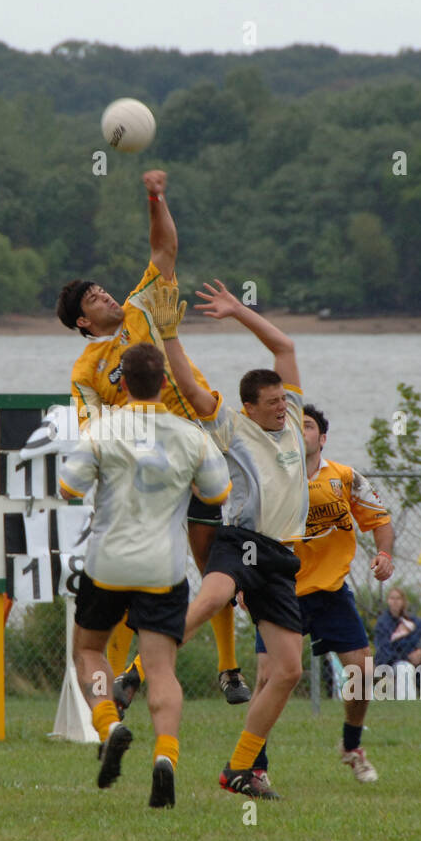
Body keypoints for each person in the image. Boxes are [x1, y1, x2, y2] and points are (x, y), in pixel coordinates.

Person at [55, 168, 248, 706]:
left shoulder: (143, 304)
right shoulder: (87, 368)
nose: (105, 295)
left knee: (215, 556)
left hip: (207, 431)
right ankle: (141, 670)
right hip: (156, 458)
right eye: (92, 298)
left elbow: (164, 249)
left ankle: (229, 668)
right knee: (165, 564)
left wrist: (155, 198)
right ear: (82, 322)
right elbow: (92, 430)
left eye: (101, 289)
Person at [58, 343, 231, 808]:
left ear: (122, 382)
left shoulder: (102, 428)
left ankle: (110, 725)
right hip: (163, 567)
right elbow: (217, 493)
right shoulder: (191, 435)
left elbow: (68, 486)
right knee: (160, 669)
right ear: (165, 381)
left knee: (90, 651)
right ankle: (165, 758)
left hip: (107, 562)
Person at [159, 279, 312, 798]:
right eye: (269, 402)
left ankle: (240, 769)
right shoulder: (231, 426)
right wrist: (171, 337)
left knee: (288, 670)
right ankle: (145, 665)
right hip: (243, 540)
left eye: (280, 400)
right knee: (217, 594)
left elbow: (284, 346)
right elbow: (191, 389)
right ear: (248, 407)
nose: (279, 408)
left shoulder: (291, 418)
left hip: (281, 557)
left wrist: (239, 310)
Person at [251, 407, 395, 796]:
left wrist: (384, 555)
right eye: (295, 426)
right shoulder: (269, 477)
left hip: (330, 593)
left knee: (364, 673)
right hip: (279, 591)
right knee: (268, 679)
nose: (301, 431)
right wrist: (239, 583)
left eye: (309, 426)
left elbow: (381, 519)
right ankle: (254, 767)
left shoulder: (345, 478)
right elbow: (241, 530)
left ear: (322, 438)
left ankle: (351, 746)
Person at [374, 586, 421, 672]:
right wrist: (408, 658)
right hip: (395, 663)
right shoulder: (382, 623)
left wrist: (420, 651)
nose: (395, 601)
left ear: (403, 602)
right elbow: (384, 650)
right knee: (405, 668)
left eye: (398, 598)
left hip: (419, 661)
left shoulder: (413, 621)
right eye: (392, 598)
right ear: (388, 601)